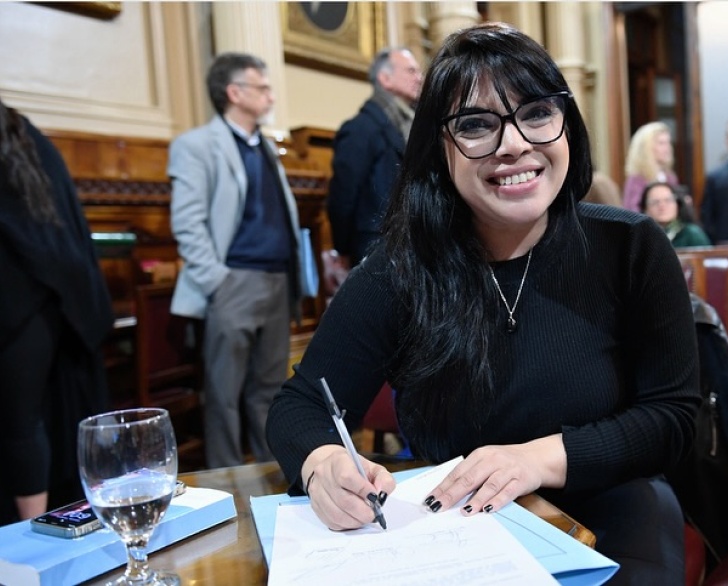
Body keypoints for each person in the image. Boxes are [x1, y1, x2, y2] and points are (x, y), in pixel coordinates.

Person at [267, 23, 700, 584]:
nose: (515, 143)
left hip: (613, 504)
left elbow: (672, 419)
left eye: (538, 113)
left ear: (567, 125)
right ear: (437, 149)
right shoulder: (400, 270)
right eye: (476, 125)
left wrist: (532, 460)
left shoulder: (631, 246)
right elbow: (300, 404)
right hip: (457, 527)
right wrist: (322, 462)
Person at [168, 52, 305, 469]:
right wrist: (217, 281)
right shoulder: (196, 146)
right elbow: (187, 222)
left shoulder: (265, 145)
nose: (270, 95)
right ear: (234, 93)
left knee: (270, 387)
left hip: (278, 279)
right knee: (224, 393)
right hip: (234, 281)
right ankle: (225, 478)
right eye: (262, 87)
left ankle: (270, 470)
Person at [0, 98, 113, 524]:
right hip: (48, 293)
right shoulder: (22, 130)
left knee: (20, 424)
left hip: (21, 299)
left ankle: (24, 536)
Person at [326, 47, 423, 268]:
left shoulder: (410, 123)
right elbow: (343, 196)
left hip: (410, 242)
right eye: (411, 71)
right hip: (376, 246)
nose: (419, 78)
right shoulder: (361, 129)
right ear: (385, 78)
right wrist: (342, 248)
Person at [622, 121, 678, 212]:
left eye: (668, 143)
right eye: (661, 143)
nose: (667, 148)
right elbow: (631, 212)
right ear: (646, 148)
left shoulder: (670, 177)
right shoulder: (637, 180)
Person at [639, 181, 711, 248]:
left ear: (677, 204)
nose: (662, 206)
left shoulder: (692, 234)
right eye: (655, 202)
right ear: (645, 208)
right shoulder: (640, 237)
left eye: (668, 200)